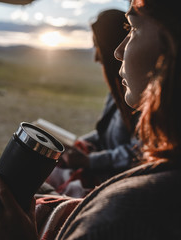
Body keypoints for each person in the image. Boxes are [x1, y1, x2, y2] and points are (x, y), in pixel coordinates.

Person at [0, 0, 181, 239]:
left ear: (177, 47)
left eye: (133, 29)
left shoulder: (124, 215)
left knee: (1, 195)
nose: (117, 52)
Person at [46, 9, 141, 198]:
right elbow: (103, 134)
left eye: (98, 47)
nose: (97, 57)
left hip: (113, 185)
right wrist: (75, 145)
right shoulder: (116, 92)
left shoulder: (139, 98)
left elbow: (139, 153)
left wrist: (89, 161)